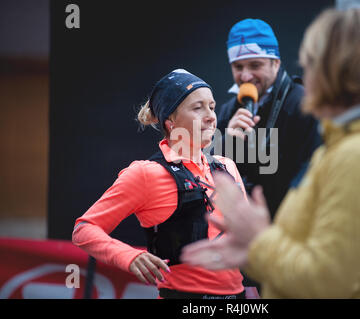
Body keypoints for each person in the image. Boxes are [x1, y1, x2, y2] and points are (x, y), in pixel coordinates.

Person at [181, 9, 360, 298]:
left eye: (310, 64)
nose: (304, 78)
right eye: (238, 67)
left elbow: (326, 280)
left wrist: (258, 241)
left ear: (334, 73)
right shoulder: (349, 141)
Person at [72, 69, 247, 299]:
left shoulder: (227, 166)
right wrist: (129, 256)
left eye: (212, 107)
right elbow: (84, 229)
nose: (210, 116)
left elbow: (249, 239)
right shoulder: (146, 173)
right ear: (171, 121)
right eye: (198, 108)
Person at [215, 18, 322, 218]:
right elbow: (211, 177)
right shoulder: (228, 111)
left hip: (288, 226)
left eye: (255, 65)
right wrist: (225, 145)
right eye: (238, 67)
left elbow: (312, 173)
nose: (245, 76)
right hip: (242, 227)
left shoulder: (303, 104)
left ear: (276, 63)